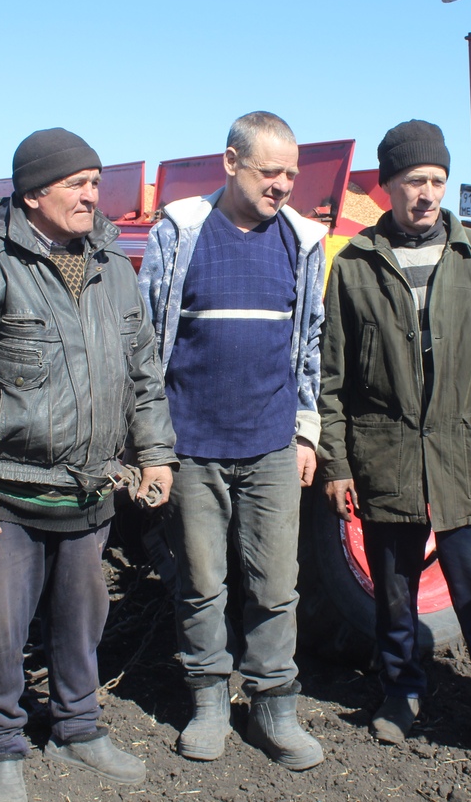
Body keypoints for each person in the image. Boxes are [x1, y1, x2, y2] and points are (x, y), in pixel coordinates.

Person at [0, 128, 176, 800]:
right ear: (34, 193)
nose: (92, 195)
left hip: (89, 489)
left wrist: (154, 450)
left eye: (96, 182)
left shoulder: (111, 266)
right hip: (5, 492)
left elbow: (143, 372)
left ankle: (77, 726)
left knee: (80, 619)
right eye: (77, 183)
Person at [316, 120, 471, 777]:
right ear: (388, 185)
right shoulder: (357, 265)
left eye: (437, 181)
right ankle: (401, 691)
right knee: (393, 592)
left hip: (467, 460)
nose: (426, 193)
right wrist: (336, 462)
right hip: (386, 457)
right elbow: (331, 375)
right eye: (414, 180)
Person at [137, 111, 325, 770]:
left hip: (272, 445)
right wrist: (151, 441)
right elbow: (147, 342)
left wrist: (305, 432)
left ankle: (275, 704)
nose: (283, 186)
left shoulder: (301, 241)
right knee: (202, 582)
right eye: (270, 171)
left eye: (292, 174)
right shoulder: (182, 232)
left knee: (276, 583)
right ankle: (209, 701)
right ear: (230, 162)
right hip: (194, 444)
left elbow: (310, 346)